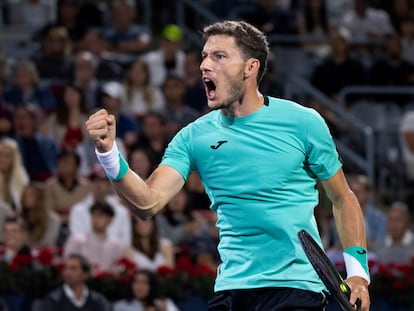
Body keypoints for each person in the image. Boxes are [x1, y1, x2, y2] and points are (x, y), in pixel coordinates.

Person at [86, 20, 370, 310]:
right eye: (204, 56)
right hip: (232, 290)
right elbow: (147, 203)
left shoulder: (304, 123)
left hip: (295, 288)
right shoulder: (193, 137)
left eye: (219, 56)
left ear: (250, 68)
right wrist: (108, 153)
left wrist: (358, 274)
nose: (204, 66)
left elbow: (343, 197)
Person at [64, 201, 126, 275]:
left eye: (100, 216)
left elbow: (118, 271)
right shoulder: (76, 241)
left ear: (110, 220)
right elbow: (67, 266)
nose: (95, 219)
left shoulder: (116, 247)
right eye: (93, 215)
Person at [42, 253, 111, 310]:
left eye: (73, 268)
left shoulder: (98, 300)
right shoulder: (53, 300)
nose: (67, 272)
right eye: (66, 268)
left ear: (85, 274)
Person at [113, 269, 179, 311]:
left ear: (152, 286)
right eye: (136, 282)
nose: (139, 286)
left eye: (144, 282)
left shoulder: (165, 303)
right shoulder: (121, 306)